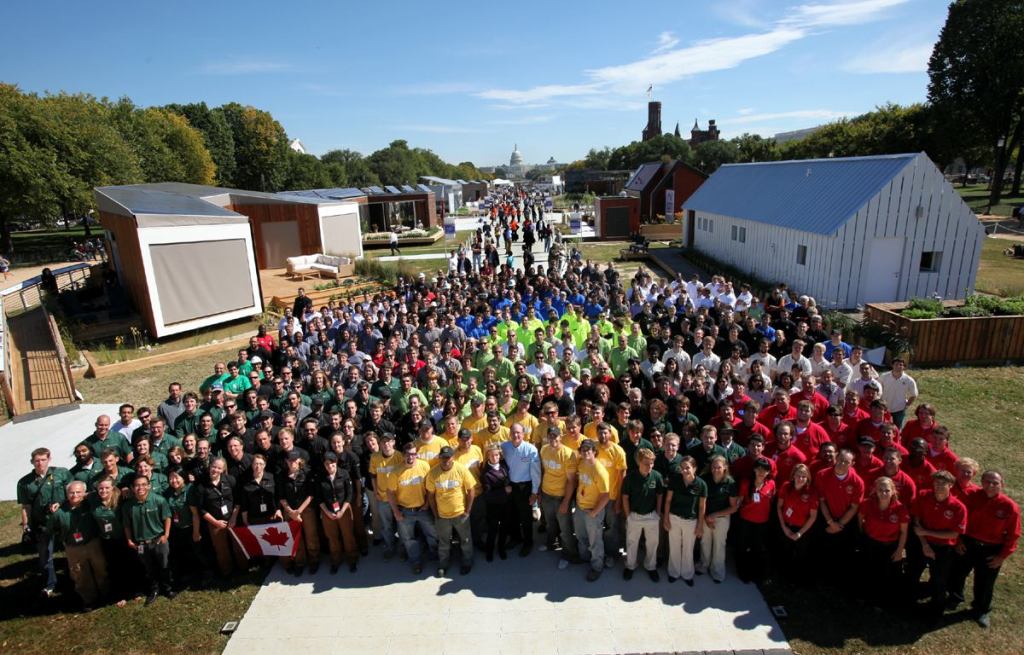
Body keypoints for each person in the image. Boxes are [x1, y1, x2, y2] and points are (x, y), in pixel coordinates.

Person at [946, 470, 1021, 628]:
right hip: (968, 543)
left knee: (985, 582)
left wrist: (1001, 556)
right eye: (987, 481)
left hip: (991, 549)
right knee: (957, 572)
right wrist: (958, 541)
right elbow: (958, 520)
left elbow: (1013, 535)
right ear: (981, 482)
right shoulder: (971, 497)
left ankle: (981, 610)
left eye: (995, 483)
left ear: (1002, 485)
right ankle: (955, 597)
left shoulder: (1009, 507)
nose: (990, 485)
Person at [906, 469, 967, 620]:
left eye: (943, 483)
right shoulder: (923, 496)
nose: (939, 486)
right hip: (921, 544)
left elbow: (954, 534)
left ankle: (935, 613)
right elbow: (917, 522)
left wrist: (927, 533)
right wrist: (925, 544)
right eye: (936, 482)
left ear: (951, 485)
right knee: (912, 573)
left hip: (943, 548)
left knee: (939, 580)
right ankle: (906, 605)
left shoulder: (958, 507)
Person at [17, 447, 71, 597]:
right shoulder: (24, 483)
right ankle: (49, 584)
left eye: (43, 460)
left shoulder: (62, 473)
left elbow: (73, 492)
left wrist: (60, 504)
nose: (40, 463)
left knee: (73, 549)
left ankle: (73, 577)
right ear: (32, 462)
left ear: (49, 459)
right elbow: (25, 506)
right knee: (45, 555)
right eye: (37, 461)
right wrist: (26, 526)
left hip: (63, 519)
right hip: (42, 523)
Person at [47, 480, 109, 611]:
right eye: (71, 492)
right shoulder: (59, 512)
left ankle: (106, 595)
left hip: (93, 543)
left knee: (101, 569)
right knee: (80, 574)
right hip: (73, 548)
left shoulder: (89, 504)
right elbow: (51, 528)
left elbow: (99, 494)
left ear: (84, 493)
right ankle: (89, 600)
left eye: (78, 492)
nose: (74, 495)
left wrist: (87, 496)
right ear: (66, 494)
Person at [120, 475, 174, 606]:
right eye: (137, 485)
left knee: (164, 564)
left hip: (159, 540)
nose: (141, 488)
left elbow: (167, 517)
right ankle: (154, 590)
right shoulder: (128, 506)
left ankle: (168, 588)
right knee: (149, 568)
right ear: (132, 488)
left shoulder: (159, 500)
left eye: (144, 484)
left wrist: (166, 535)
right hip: (141, 543)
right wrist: (129, 540)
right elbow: (126, 525)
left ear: (149, 485)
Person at [858, 476, 909, 609]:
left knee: (885, 575)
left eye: (887, 490)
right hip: (871, 543)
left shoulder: (901, 509)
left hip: (889, 546)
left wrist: (899, 551)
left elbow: (903, 532)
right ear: (875, 490)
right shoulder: (867, 503)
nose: (884, 493)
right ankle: (866, 597)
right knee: (868, 572)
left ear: (893, 491)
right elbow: (860, 520)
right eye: (880, 490)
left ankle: (882, 603)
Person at [426, 446, 476, 576]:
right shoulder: (433, 473)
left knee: (465, 540)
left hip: (460, 514)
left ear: (453, 457)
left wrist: (468, 511)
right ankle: (443, 564)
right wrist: (436, 514)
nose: (445, 460)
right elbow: (430, 496)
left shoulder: (461, 469)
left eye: (448, 457)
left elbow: (471, 490)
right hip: (442, 516)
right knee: (443, 542)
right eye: (443, 457)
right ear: (439, 458)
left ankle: (467, 562)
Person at [387, 442, 436, 574]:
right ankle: (416, 562)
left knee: (432, 533)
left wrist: (426, 504)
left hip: (423, 509)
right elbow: (390, 492)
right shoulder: (395, 472)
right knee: (409, 539)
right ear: (403, 455)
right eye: (408, 454)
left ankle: (434, 554)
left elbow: (430, 487)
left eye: (414, 454)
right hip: (405, 511)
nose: (411, 457)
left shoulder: (424, 466)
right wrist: (396, 512)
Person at [538, 426, 579, 568]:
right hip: (546, 493)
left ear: (560, 437)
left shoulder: (568, 454)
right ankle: (551, 544)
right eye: (550, 436)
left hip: (560, 497)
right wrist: (539, 493)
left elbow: (571, 481)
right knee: (550, 523)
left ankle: (569, 555)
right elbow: (543, 472)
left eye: (555, 436)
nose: (553, 439)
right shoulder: (544, 450)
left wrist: (566, 502)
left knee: (566, 529)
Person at [622, 447, 663, 581]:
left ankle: (651, 566)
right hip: (635, 515)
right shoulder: (630, 478)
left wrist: (657, 513)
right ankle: (630, 565)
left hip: (651, 516)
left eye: (651, 463)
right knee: (632, 542)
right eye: (646, 463)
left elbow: (659, 495)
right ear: (639, 462)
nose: (649, 466)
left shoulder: (656, 476)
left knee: (652, 543)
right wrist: (628, 515)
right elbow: (625, 497)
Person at [663, 455, 706, 585]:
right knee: (674, 546)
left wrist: (700, 525)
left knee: (688, 548)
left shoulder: (701, 484)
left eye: (687, 468)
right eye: (682, 468)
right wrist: (666, 518)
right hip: (674, 517)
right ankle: (674, 573)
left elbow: (701, 506)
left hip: (691, 521)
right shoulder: (675, 480)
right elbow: (668, 500)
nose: (684, 471)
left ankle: (687, 574)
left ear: (695, 468)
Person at [500, 423, 541, 557]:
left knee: (526, 517)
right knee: (512, 515)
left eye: (518, 433)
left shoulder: (531, 450)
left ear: (523, 434)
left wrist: (534, 492)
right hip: (511, 487)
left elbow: (536, 473)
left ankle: (528, 542)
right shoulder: (504, 447)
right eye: (513, 433)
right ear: (509, 434)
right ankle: (516, 538)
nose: (516, 435)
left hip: (525, 487)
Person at [278, 451, 320, 575]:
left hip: (306, 510)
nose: (292, 462)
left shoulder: (306, 473)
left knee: (311, 536)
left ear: (299, 461)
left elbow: (311, 494)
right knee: (296, 538)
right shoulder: (282, 476)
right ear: (286, 462)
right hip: (289, 511)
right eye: (289, 460)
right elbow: (281, 496)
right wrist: (290, 511)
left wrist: (299, 511)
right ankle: (300, 562)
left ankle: (314, 561)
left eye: (294, 460)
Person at [775, 463, 818, 583]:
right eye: (798, 475)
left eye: (804, 476)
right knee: (784, 552)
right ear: (793, 476)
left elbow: (813, 516)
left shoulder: (812, 492)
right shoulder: (786, 486)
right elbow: (779, 507)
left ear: (808, 478)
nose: (801, 479)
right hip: (786, 525)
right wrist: (784, 527)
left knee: (800, 555)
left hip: (802, 529)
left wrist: (800, 533)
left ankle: (796, 580)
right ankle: (782, 577)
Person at [574, 439, 610, 581]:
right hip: (580, 507)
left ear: (594, 451)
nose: (586, 452)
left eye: (589, 449)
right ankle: (585, 559)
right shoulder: (582, 464)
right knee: (581, 536)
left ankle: (597, 566)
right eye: (583, 449)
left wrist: (595, 512)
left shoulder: (599, 471)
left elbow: (606, 496)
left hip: (592, 510)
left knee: (595, 541)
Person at [699, 455, 739, 583]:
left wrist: (714, 516)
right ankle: (704, 565)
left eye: (719, 467)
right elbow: (700, 501)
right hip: (706, 516)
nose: (716, 470)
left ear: (725, 468)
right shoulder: (705, 479)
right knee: (705, 542)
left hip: (721, 518)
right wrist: (706, 517)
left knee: (719, 545)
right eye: (714, 467)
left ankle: (717, 572)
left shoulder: (730, 483)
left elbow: (734, 508)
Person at [318, 451, 359, 573]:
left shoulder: (344, 474)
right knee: (332, 538)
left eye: (332, 463)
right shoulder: (321, 477)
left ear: (336, 463)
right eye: (327, 464)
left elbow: (349, 493)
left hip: (344, 510)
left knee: (348, 536)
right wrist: (327, 512)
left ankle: (352, 559)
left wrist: (342, 510)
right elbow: (319, 498)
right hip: (327, 512)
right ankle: (336, 560)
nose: (330, 466)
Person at [735, 457, 775, 584]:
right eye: (759, 469)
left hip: (762, 522)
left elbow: (772, 500)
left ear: (769, 472)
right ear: (754, 470)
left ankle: (757, 573)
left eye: (765, 470)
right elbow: (740, 500)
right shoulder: (746, 483)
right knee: (743, 547)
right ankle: (743, 572)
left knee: (757, 548)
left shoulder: (771, 484)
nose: (761, 472)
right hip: (746, 520)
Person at [480, 443, 514, 561]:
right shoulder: (486, 473)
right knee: (492, 530)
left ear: (500, 455)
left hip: (506, 504)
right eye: (492, 455)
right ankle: (489, 550)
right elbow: (488, 495)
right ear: (488, 456)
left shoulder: (503, 466)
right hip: (493, 507)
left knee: (504, 528)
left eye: (497, 455)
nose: (495, 458)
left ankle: (501, 548)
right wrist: (504, 490)